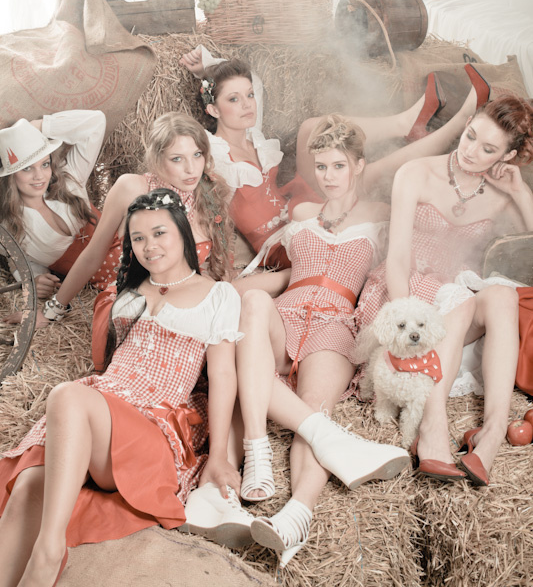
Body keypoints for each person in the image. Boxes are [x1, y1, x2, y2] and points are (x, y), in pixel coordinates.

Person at [0, 189, 244, 587]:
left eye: (160, 233)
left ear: (182, 233)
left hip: (149, 426)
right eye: (138, 238)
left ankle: (49, 551)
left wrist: (218, 456)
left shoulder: (218, 294)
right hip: (100, 409)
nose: (149, 246)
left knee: (67, 394)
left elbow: (223, 377)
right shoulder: (128, 293)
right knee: (27, 487)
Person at [234, 115, 412, 567]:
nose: (328, 176)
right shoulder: (301, 215)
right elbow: (285, 276)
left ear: (359, 165)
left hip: (336, 322)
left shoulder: (383, 215)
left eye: (338, 166)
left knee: (315, 409)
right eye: (321, 166)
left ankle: (297, 514)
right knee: (252, 304)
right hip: (287, 312)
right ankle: (257, 451)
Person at [180, 47, 490, 292]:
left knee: (314, 132)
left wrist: (208, 66)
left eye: (248, 96)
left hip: (300, 205)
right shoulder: (211, 153)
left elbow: (255, 83)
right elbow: (183, 186)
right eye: (234, 99)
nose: (248, 104)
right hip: (288, 240)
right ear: (213, 109)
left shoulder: (252, 134)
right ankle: (457, 126)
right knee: (357, 176)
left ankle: (408, 123)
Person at [360, 94, 533, 486]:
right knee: (464, 303)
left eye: (488, 149)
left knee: (502, 296)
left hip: (454, 296)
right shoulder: (416, 172)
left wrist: (521, 192)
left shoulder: (503, 193)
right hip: (406, 295)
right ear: (466, 124)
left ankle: (492, 433)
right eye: (471, 136)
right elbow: (397, 258)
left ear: (508, 156)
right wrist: (406, 317)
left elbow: (530, 250)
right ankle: (433, 425)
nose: (470, 151)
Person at [43, 114, 231, 363]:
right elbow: (93, 254)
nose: (191, 168)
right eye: (177, 158)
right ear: (157, 159)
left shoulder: (210, 192)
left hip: (185, 300)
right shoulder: (132, 187)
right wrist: (53, 309)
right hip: (136, 300)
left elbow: (217, 266)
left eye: (197, 154)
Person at [0, 110, 121, 301]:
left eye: (44, 164)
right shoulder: (9, 228)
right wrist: (34, 280)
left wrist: (36, 127)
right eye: (27, 168)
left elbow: (95, 122)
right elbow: (21, 263)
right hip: (116, 289)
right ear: (11, 176)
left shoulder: (70, 178)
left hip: (144, 254)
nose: (39, 176)